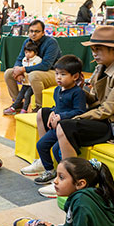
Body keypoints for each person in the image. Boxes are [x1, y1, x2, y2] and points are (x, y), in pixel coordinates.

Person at [47, 26, 114, 198]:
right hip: (102, 118)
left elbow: (107, 109)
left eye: (98, 49)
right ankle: (50, 168)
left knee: (66, 126)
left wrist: (75, 116)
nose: (94, 53)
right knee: (47, 114)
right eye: (92, 49)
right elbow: (95, 100)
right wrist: (77, 90)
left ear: (113, 49)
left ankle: (70, 182)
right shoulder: (101, 67)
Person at [30, 56, 87, 187]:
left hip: (66, 128)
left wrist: (62, 116)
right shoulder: (57, 90)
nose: (58, 78)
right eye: (56, 74)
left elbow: (80, 111)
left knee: (57, 150)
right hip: (56, 127)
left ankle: (62, 176)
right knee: (41, 145)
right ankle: (49, 170)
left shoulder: (77, 93)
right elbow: (58, 106)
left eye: (63, 74)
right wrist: (53, 112)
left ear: (75, 76)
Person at [3, 20, 60, 114]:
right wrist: (18, 71)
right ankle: (18, 103)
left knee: (33, 76)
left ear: (43, 32)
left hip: (52, 73)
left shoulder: (51, 43)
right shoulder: (27, 41)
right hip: (31, 71)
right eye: (31, 31)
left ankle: (38, 107)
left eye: (37, 31)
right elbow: (20, 59)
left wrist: (23, 69)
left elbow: (46, 65)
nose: (33, 34)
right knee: (9, 73)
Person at [6, 42, 43, 114]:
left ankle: (24, 109)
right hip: (26, 82)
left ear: (35, 52)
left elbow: (37, 70)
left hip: (32, 84)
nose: (27, 54)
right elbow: (21, 67)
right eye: (26, 52)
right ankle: (14, 107)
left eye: (30, 52)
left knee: (27, 95)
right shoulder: (24, 59)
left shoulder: (38, 60)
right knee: (20, 94)